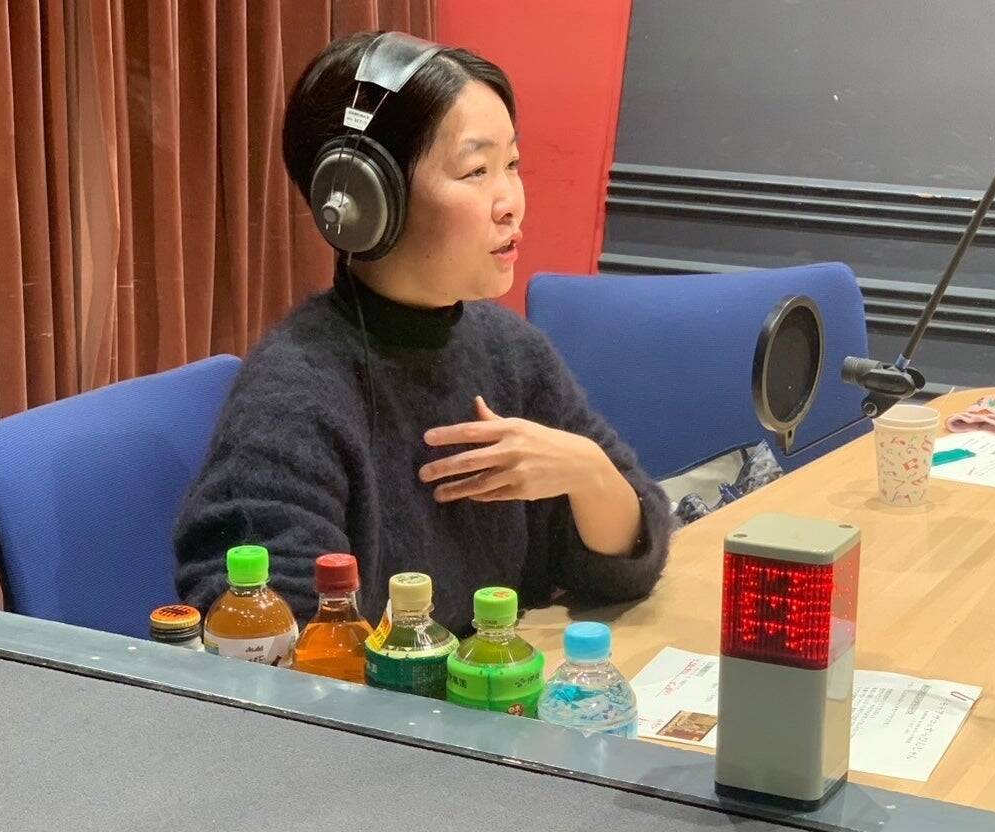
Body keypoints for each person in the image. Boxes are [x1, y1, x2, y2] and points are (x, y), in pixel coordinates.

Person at [173, 31, 671, 636]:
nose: (511, 202)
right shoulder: (293, 398)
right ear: (367, 199)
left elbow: (627, 563)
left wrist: (587, 471)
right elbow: (270, 637)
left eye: (512, 165)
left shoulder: (511, 351)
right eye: (476, 170)